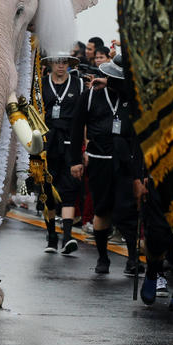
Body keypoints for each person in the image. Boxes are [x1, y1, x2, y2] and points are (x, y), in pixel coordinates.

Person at [70, 55, 148, 276]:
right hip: (98, 161)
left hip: (125, 162)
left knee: (128, 210)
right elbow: (76, 129)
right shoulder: (89, 96)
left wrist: (141, 172)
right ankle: (103, 257)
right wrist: (75, 160)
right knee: (101, 209)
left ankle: (133, 259)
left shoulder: (132, 99)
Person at [41, 54, 84, 255]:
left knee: (69, 190)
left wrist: (86, 145)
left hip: (70, 141)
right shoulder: (41, 84)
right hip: (47, 143)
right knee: (47, 191)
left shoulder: (79, 85)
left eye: (64, 62)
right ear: (50, 63)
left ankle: (67, 236)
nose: (61, 65)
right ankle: (51, 236)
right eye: (57, 62)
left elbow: (84, 118)